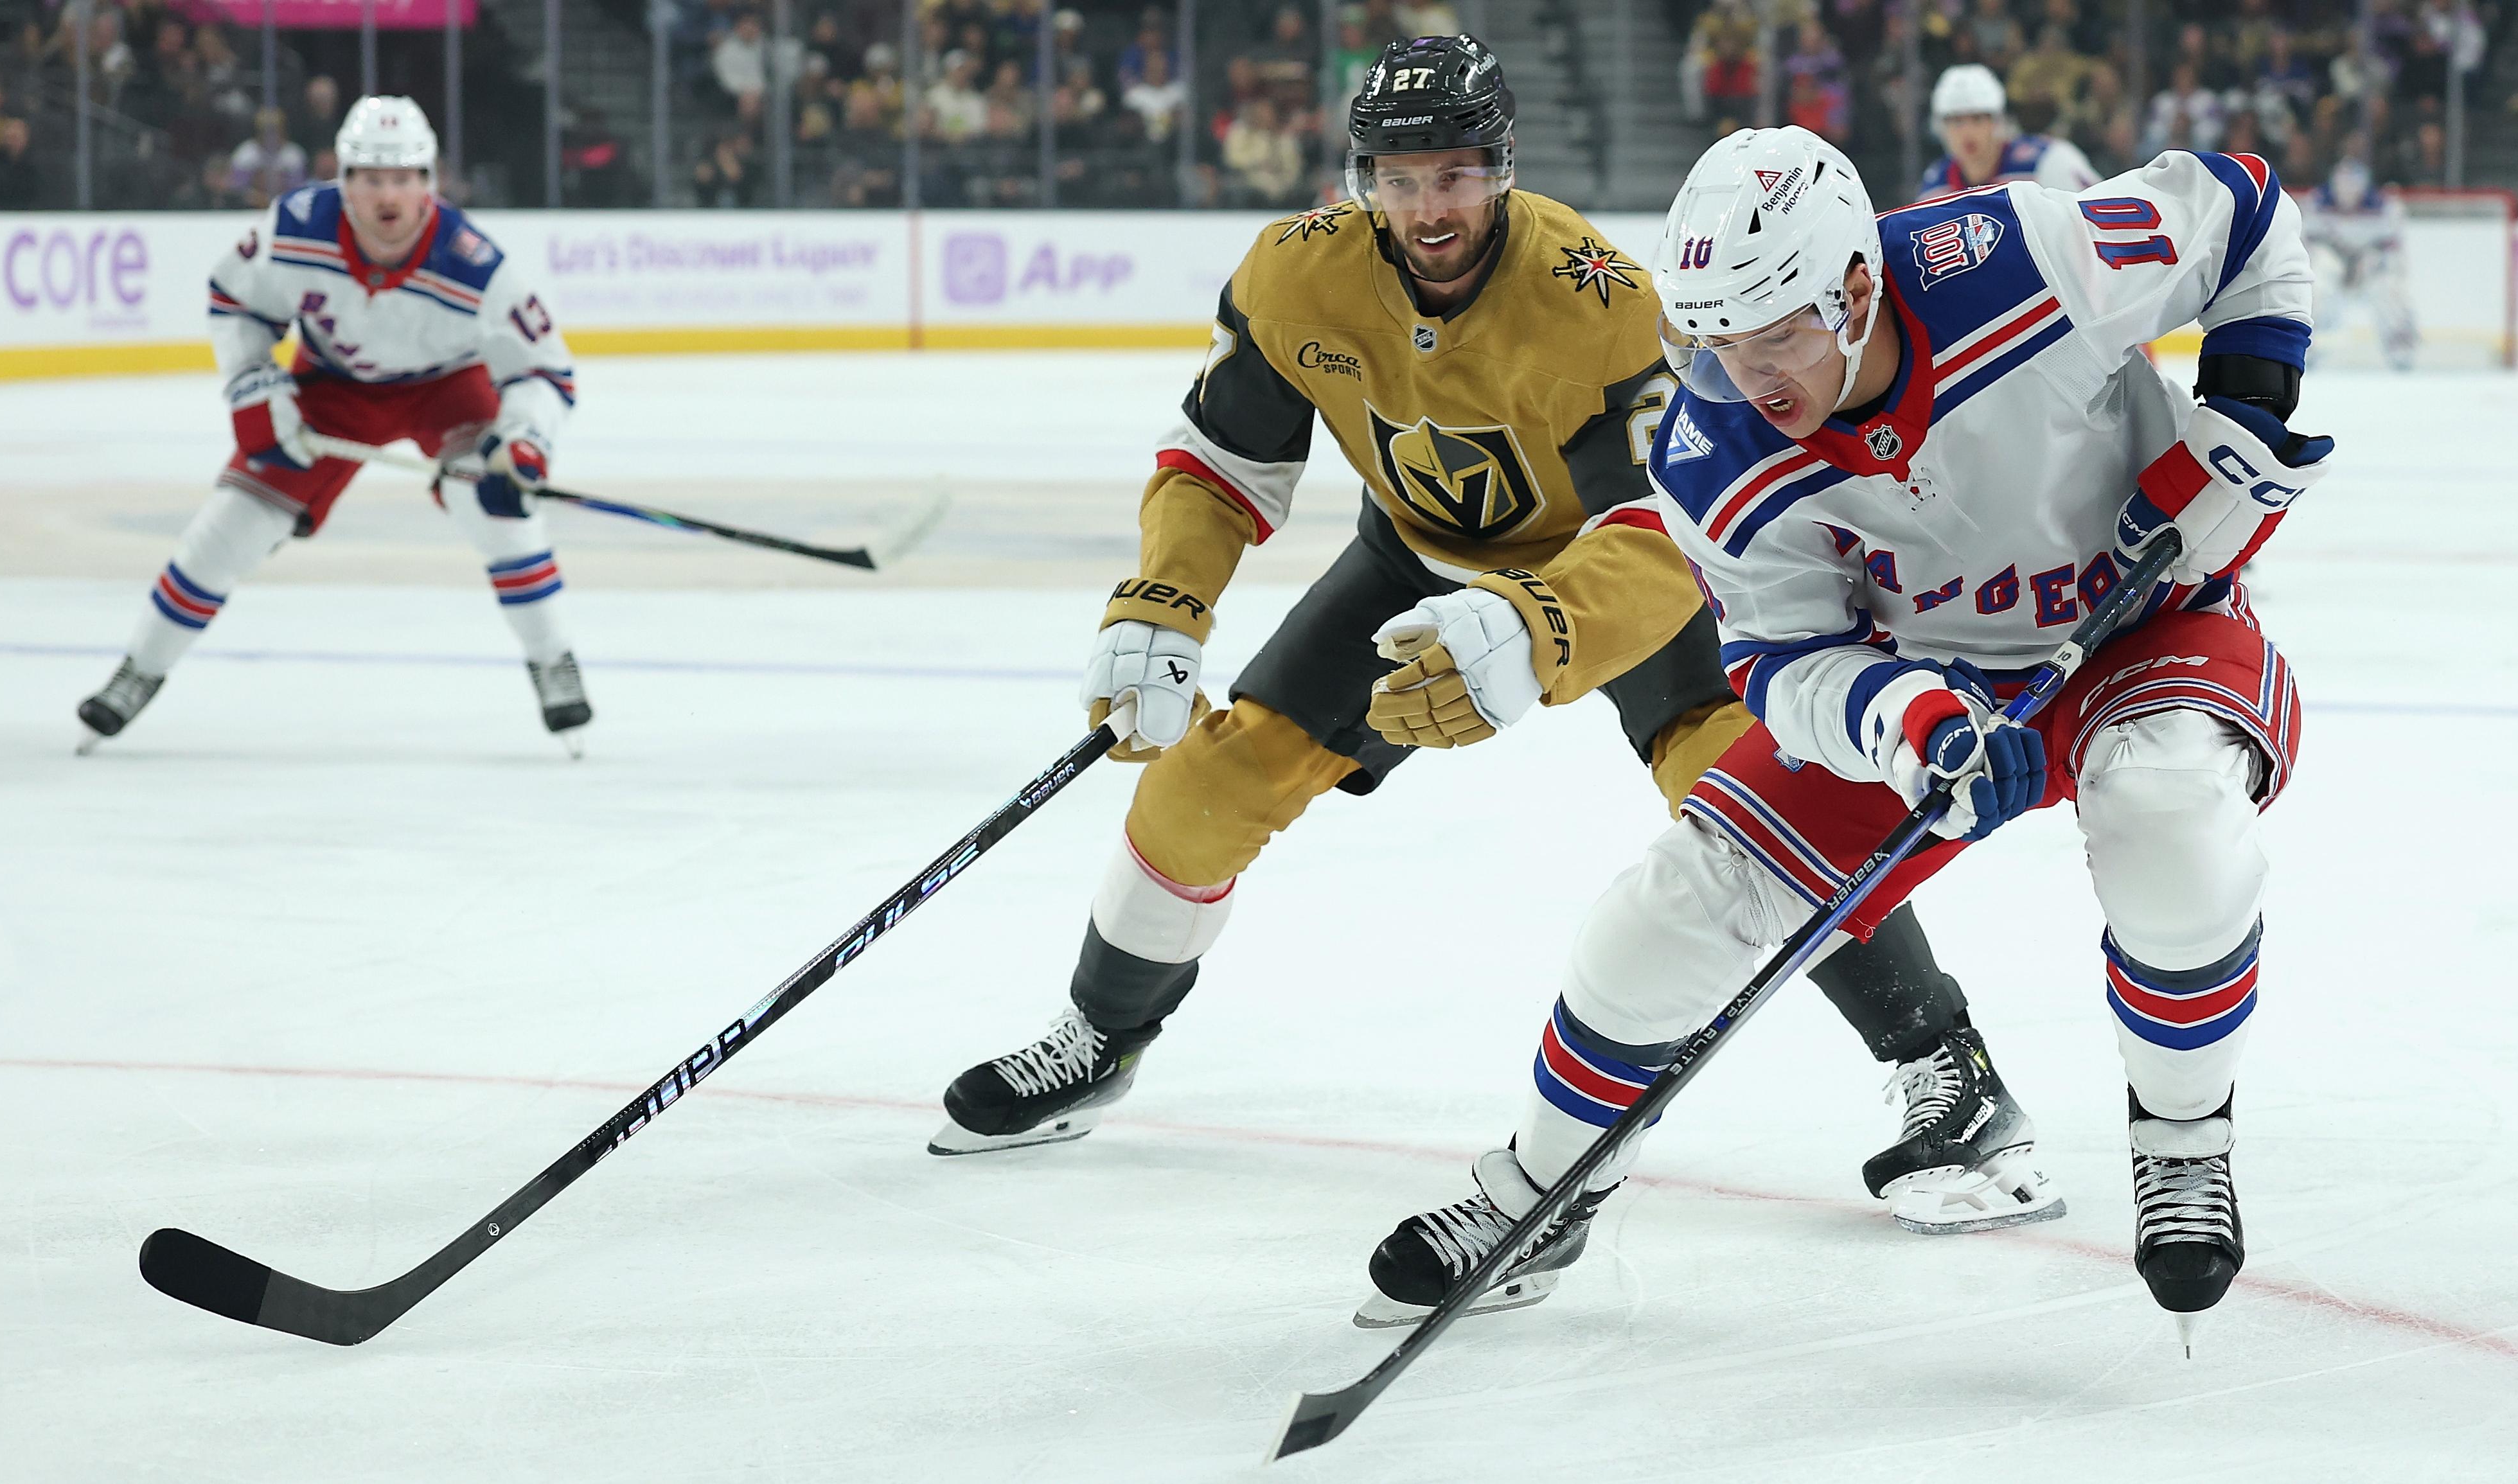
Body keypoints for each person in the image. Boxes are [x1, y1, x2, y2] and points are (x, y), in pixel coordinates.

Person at [929, 40, 2064, 1242]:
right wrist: (1163, 603)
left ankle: (1953, 1076)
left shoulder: (1597, 298)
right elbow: (1222, 463)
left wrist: (1537, 627)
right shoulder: (1294, 278)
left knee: (1762, 814)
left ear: (1504, 172)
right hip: (1411, 564)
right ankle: (1100, 1037)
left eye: (1458, 176)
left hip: (1620, 580)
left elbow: (1669, 516)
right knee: (1209, 779)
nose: (1430, 208)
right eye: (1402, 178)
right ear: (1361, 177)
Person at [1363, 126, 2324, 1340]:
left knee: (2170, 824)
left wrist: (2247, 402)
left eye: (1775, 337)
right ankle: (1541, 1188)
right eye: (1712, 340)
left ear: (1855, 289)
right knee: (1665, 916)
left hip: (2142, 624)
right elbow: (1777, 658)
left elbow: (2239, 208)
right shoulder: (1713, 449)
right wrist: (1905, 722)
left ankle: (2182, 1138)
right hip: (1924, 686)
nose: (1746, 375)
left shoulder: (2021, 257)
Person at [75, 98, 589, 755]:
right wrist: (254, 382)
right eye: (372, 179)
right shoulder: (294, 228)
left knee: (503, 520)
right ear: (342, 181)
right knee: (228, 529)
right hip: (331, 391)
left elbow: (544, 371)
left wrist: (522, 445)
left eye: (404, 178)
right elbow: (234, 299)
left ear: (430, 184)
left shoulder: (476, 266)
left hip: (448, 391)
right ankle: (138, 670)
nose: (388, 197)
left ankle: (552, 660)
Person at [1919, 62, 2096, 200]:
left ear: (1996, 122)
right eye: (1957, 122)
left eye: (1978, 119)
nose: (1968, 131)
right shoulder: (1935, 186)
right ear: (1941, 128)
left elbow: (2098, 217)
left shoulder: (2048, 160)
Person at [2303, 156, 2416, 371]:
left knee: (2389, 289)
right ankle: (2306, 345)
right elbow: (2309, 246)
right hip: (2334, 267)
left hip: (2370, 269)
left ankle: (2401, 346)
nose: (2348, 191)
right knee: (2315, 284)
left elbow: (2393, 251)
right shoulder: (2317, 203)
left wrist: (2369, 262)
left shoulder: (2386, 208)